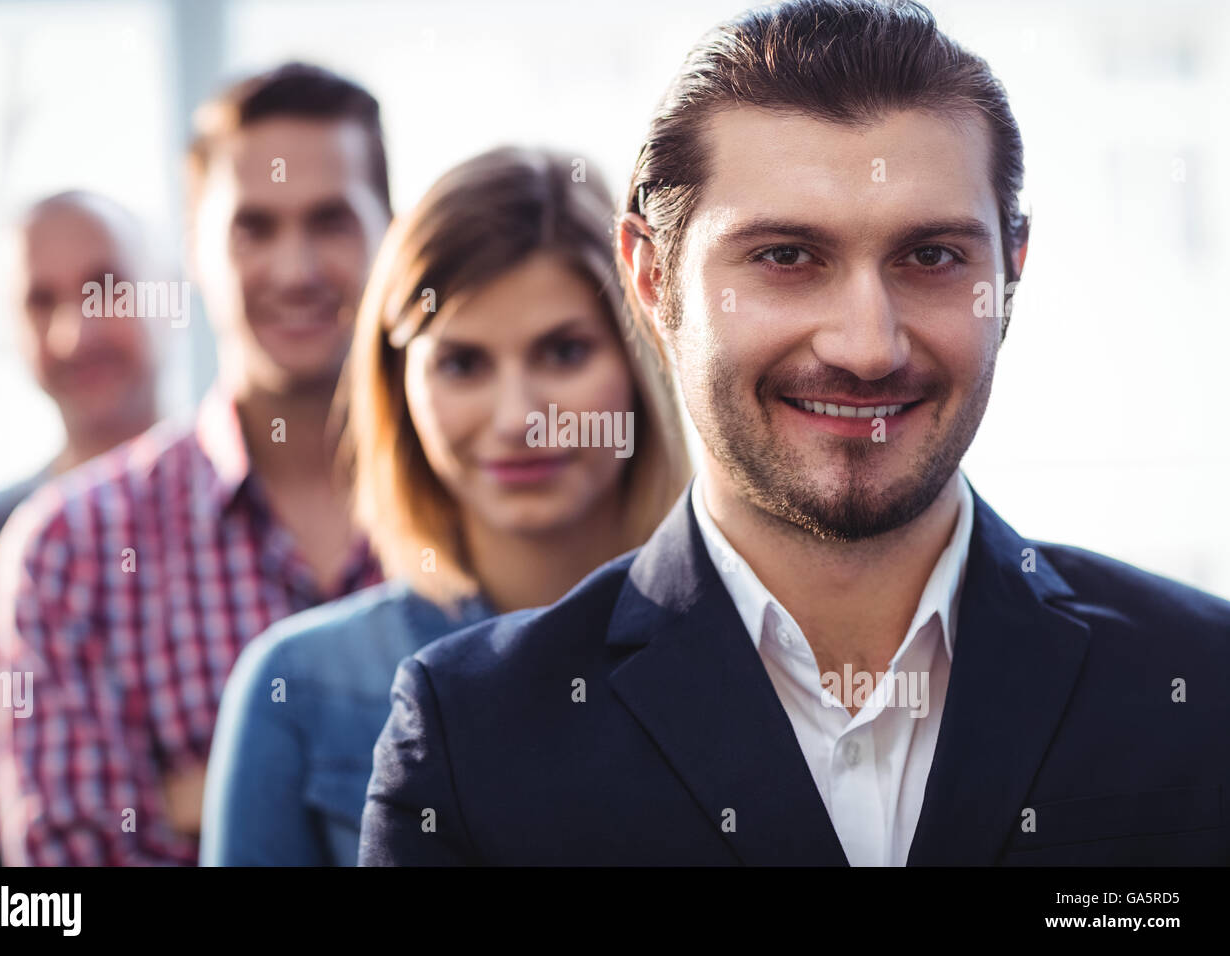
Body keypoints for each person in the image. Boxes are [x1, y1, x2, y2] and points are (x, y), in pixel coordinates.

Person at [360, 0, 1230, 866]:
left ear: (1010, 276)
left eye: (930, 257)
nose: (867, 346)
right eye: (785, 256)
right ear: (653, 279)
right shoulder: (472, 738)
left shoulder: (1201, 679)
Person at [200, 146, 692, 866]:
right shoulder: (299, 689)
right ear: (400, 388)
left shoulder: (753, 646)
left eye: (564, 352)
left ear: (643, 356)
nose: (519, 417)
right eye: (462, 364)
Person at [0, 62, 392, 865]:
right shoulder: (69, 550)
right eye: (255, 228)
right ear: (194, 251)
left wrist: (221, 800)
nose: (296, 268)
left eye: (330, 220)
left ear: (394, 232)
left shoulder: (491, 509)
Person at [0, 191, 159, 865]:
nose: (76, 332)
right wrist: (172, 783)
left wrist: (36, 734)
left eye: (105, 289)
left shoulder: (252, 507)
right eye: (40, 302)